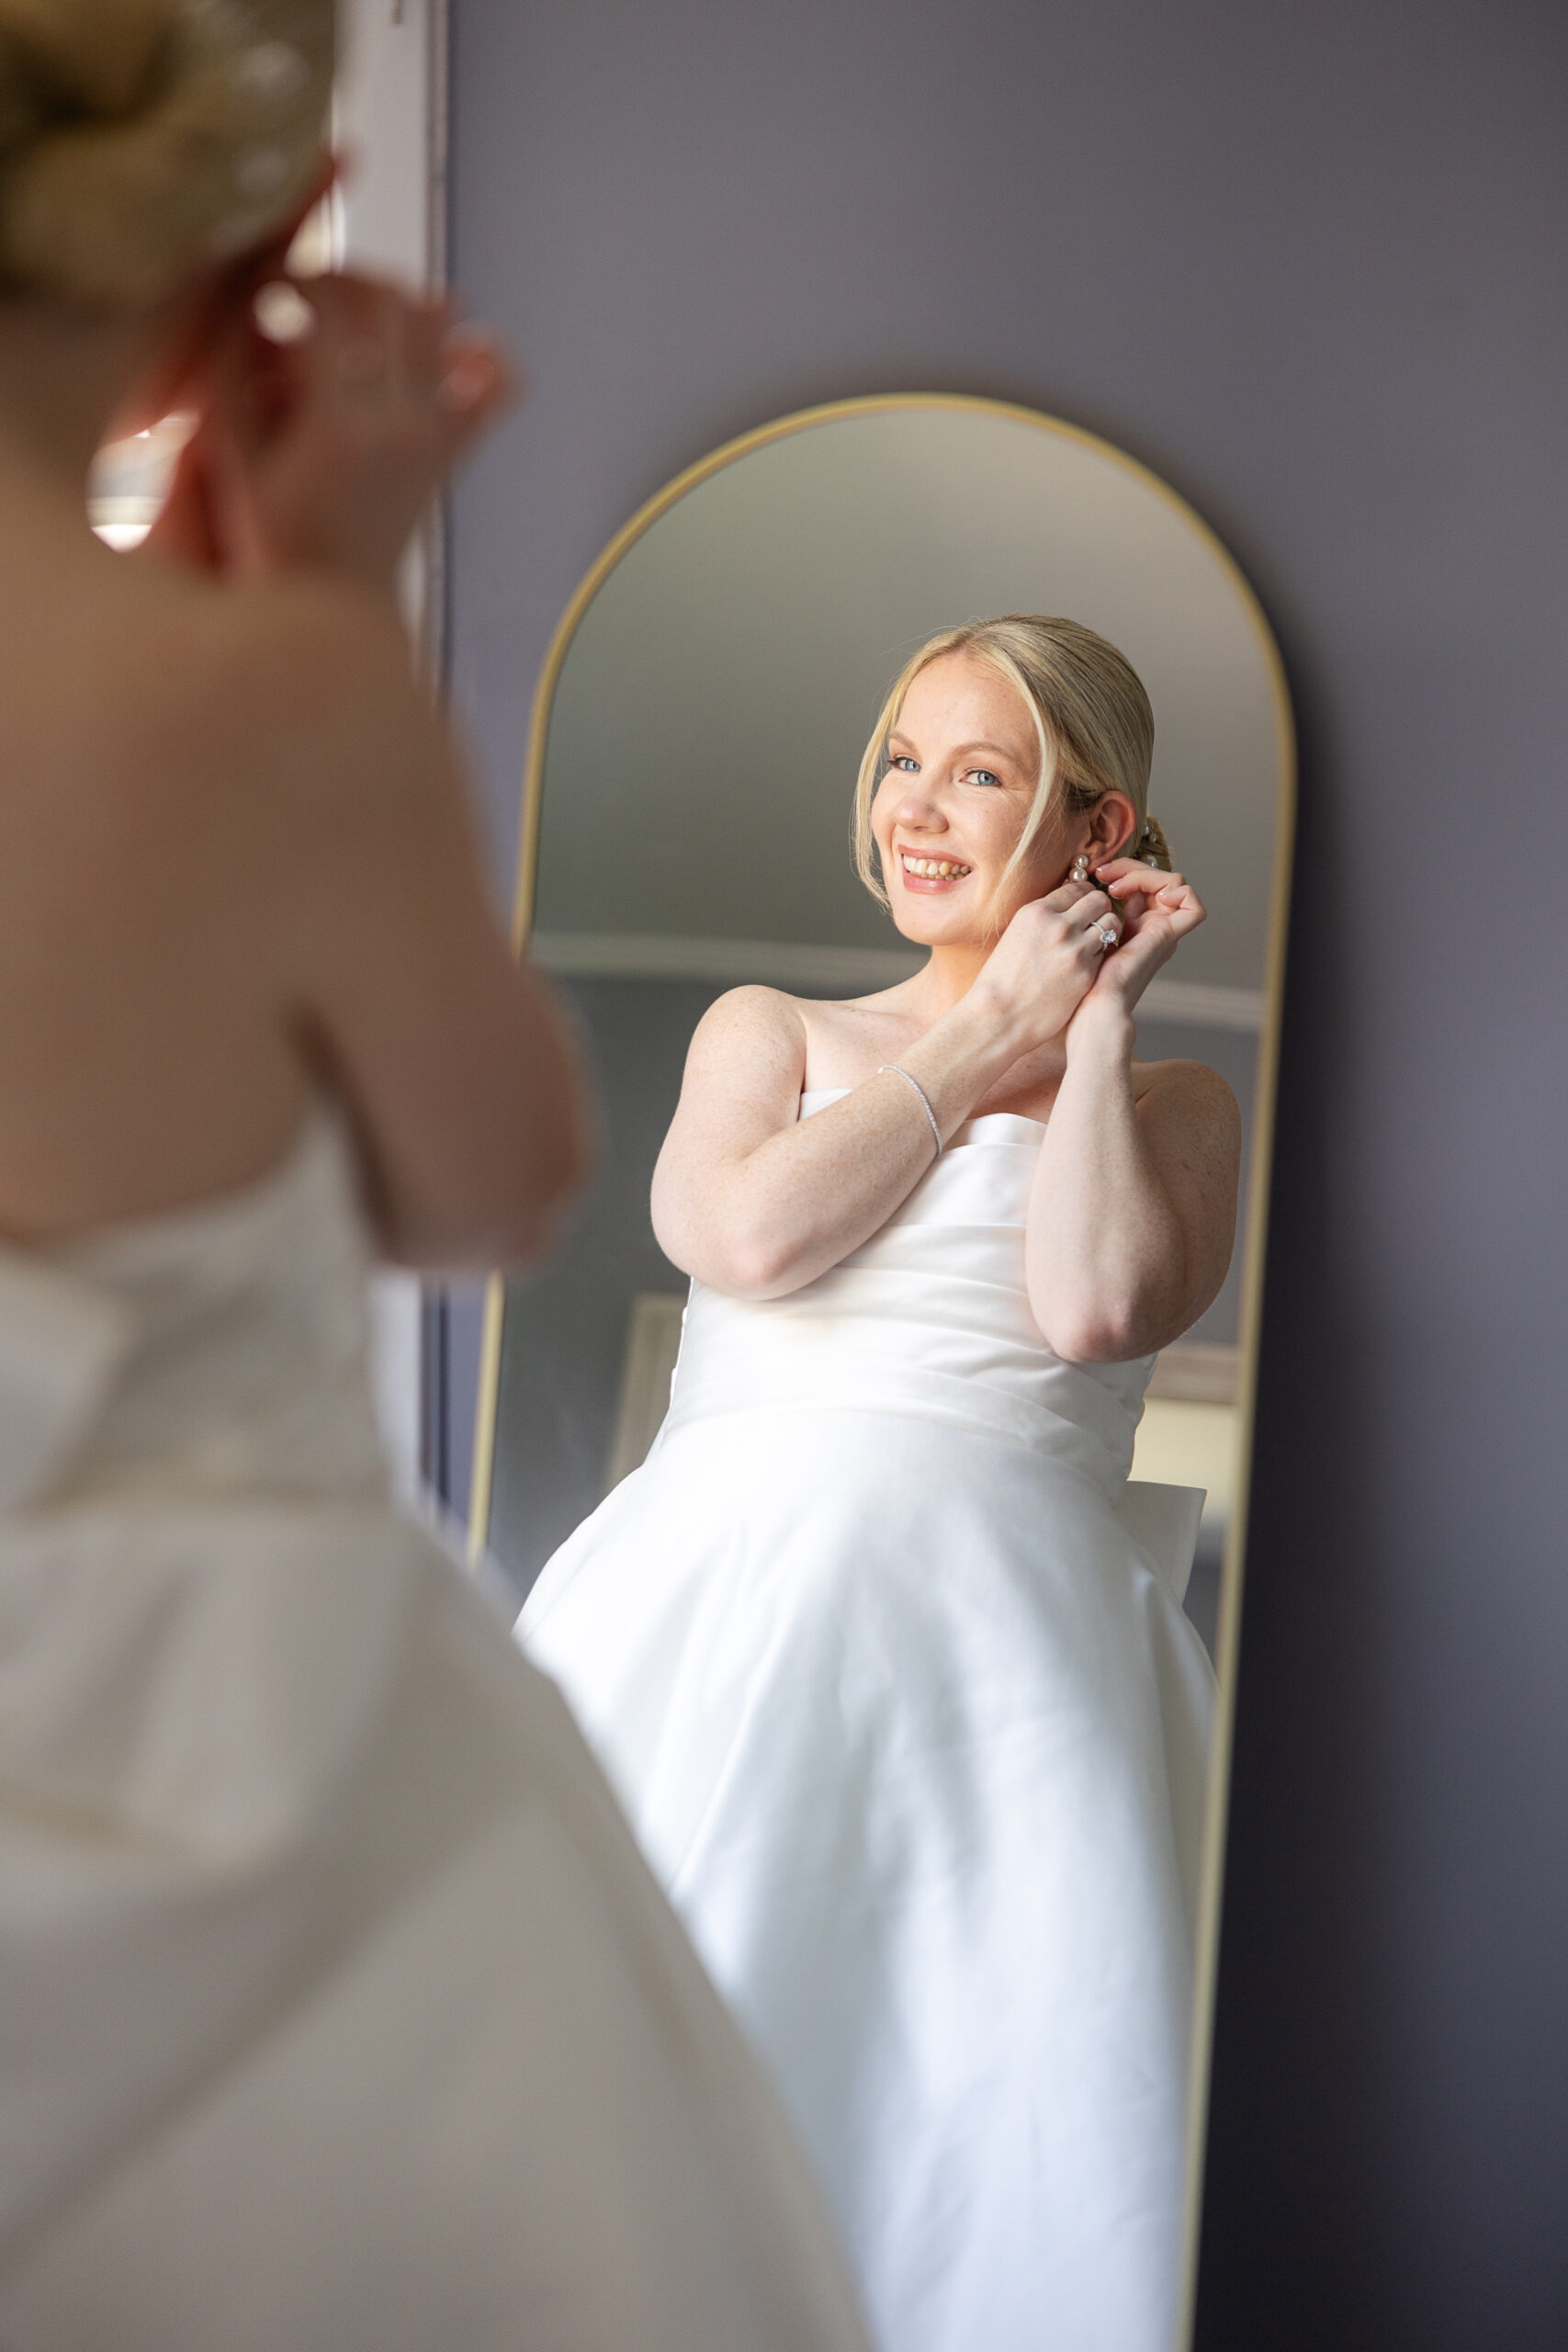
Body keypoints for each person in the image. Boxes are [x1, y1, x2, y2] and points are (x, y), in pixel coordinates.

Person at [0, 6, 872, 2347]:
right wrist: (316, 616)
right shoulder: (265, 704)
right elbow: (490, 1194)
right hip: (278, 1818)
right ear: (263, 244)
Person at [521, 615, 1244, 2352]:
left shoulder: (1176, 1103)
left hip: (1009, 1667)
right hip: (716, 1612)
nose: (918, 809)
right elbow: (743, 1232)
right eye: (901, 761)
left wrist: (1075, 1039)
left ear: (1099, 828)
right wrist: (969, 1026)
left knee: (966, 2140)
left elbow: (1093, 1306)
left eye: (980, 771)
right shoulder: (766, 1028)